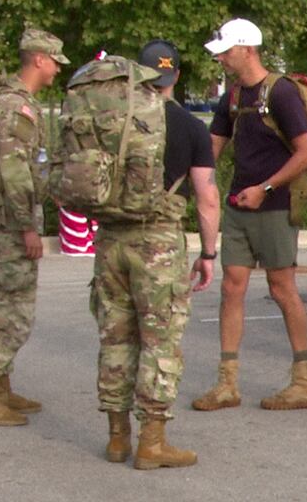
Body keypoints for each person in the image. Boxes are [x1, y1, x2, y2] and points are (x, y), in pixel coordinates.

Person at [87, 40, 220, 470]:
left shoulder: (109, 119)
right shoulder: (189, 127)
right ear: (175, 77)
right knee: (160, 342)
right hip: (158, 244)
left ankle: (116, 438)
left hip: (110, 241)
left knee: (116, 338)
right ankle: (153, 441)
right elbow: (206, 197)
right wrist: (209, 252)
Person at [193, 18, 307, 412]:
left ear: (248, 49)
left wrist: (265, 188)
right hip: (238, 205)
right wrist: (188, 183)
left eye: (226, 51)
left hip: (274, 205)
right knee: (231, 287)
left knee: (282, 288)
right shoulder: (232, 97)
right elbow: (210, 149)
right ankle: (227, 382)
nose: (221, 59)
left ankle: (305, 380)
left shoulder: (281, 93)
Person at [0, 28, 68, 427]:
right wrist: (28, 228)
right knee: (11, 310)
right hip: (7, 224)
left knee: (6, 302)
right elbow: (14, 170)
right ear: (39, 59)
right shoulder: (15, 108)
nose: (57, 69)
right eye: (55, 60)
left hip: (1, 219)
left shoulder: (12, 102)